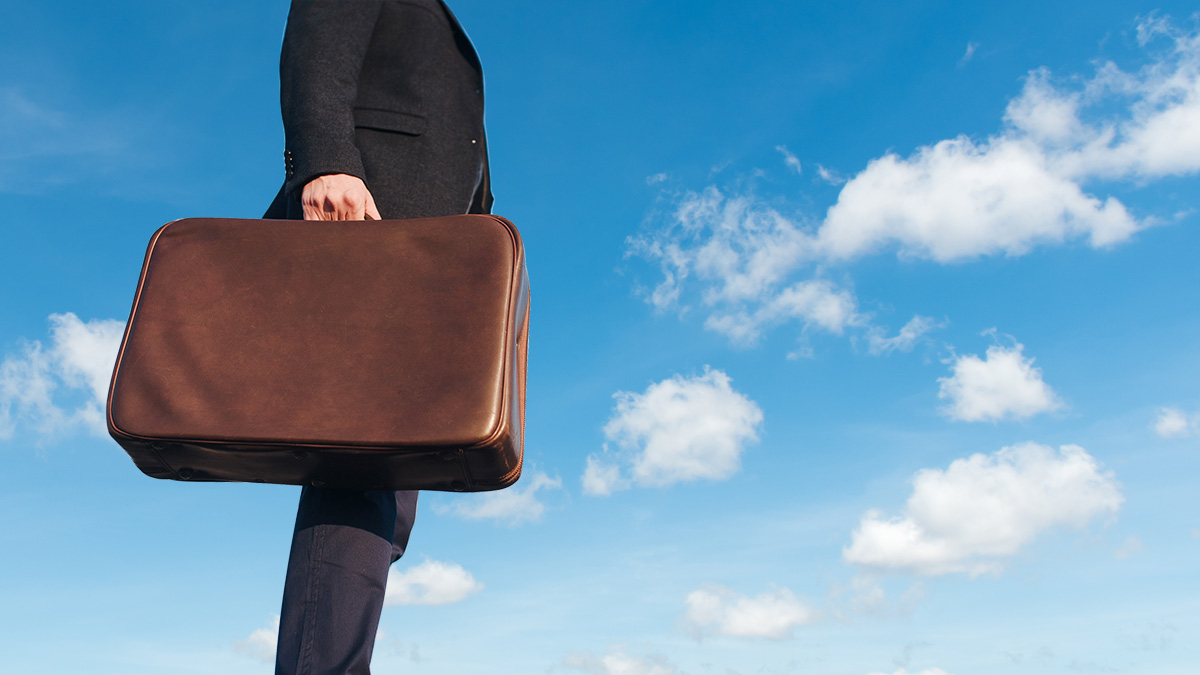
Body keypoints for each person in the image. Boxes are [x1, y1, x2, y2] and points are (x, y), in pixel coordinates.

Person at [262, 2, 492, 673]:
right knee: (359, 473)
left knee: (389, 498)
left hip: (425, 263)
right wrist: (326, 160)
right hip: (369, 234)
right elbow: (318, 37)